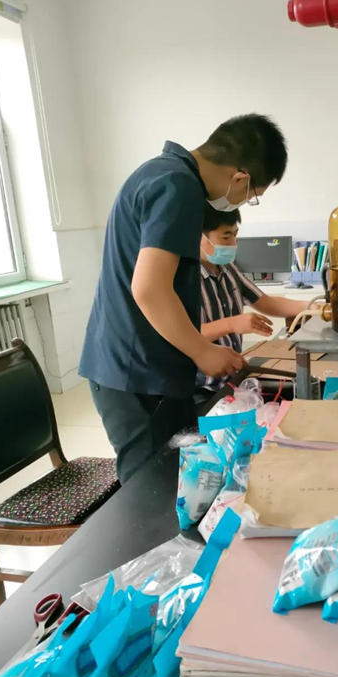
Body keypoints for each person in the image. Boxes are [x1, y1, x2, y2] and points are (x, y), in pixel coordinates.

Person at [79, 114, 288, 484]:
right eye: (252, 196)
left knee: (177, 476)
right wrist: (202, 350)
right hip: (136, 373)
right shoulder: (178, 186)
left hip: (140, 366)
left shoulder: (161, 173)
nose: (244, 201)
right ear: (240, 179)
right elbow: (149, 289)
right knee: (149, 486)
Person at [195, 204, 309, 406]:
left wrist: (312, 307)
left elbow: (267, 302)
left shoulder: (228, 268)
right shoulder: (184, 278)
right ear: (199, 236)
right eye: (226, 237)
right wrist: (231, 324)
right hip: (201, 388)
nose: (233, 244)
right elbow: (182, 336)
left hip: (232, 380)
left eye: (235, 235)